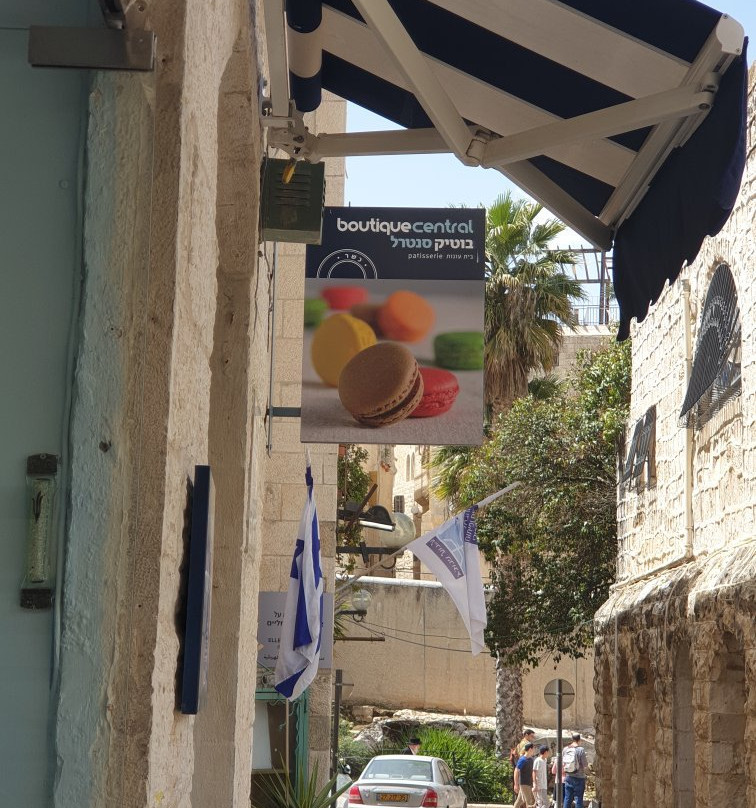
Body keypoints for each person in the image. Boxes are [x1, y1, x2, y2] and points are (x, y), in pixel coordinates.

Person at [561, 733, 588, 808]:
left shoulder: (565, 749)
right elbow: (585, 765)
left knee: (567, 798)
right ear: (579, 740)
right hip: (579, 778)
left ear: (572, 739)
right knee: (578, 799)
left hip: (568, 777)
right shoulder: (581, 750)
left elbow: (563, 763)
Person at [513, 742, 536, 808]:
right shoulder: (522, 760)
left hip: (529, 783)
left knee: (520, 801)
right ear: (530, 749)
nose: (534, 750)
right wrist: (516, 784)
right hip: (524, 784)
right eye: (534, 748)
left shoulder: (531, 759)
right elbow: (516, 771)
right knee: (530, 802)